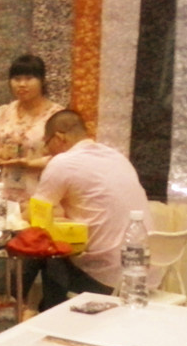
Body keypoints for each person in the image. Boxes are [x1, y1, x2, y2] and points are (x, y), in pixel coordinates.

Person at [29, 109, 151, 311]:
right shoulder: (117, 156)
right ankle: (31, 310)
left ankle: (36, 313)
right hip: (144, 277)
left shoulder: (63, 162)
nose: (46, 151)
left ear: (59, 138)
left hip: (107, 281)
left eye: (47, 143)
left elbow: (35, 216)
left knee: (44, 251)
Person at [0, 54, 63, 205]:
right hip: (7, 191)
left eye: (29, 78)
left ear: (42, 81)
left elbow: (65, 159)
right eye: (17, 79)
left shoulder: (57, 115)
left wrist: (29, 163)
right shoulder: (4, 112)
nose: (22, 84)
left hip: (42, 191)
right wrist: (2, 153)